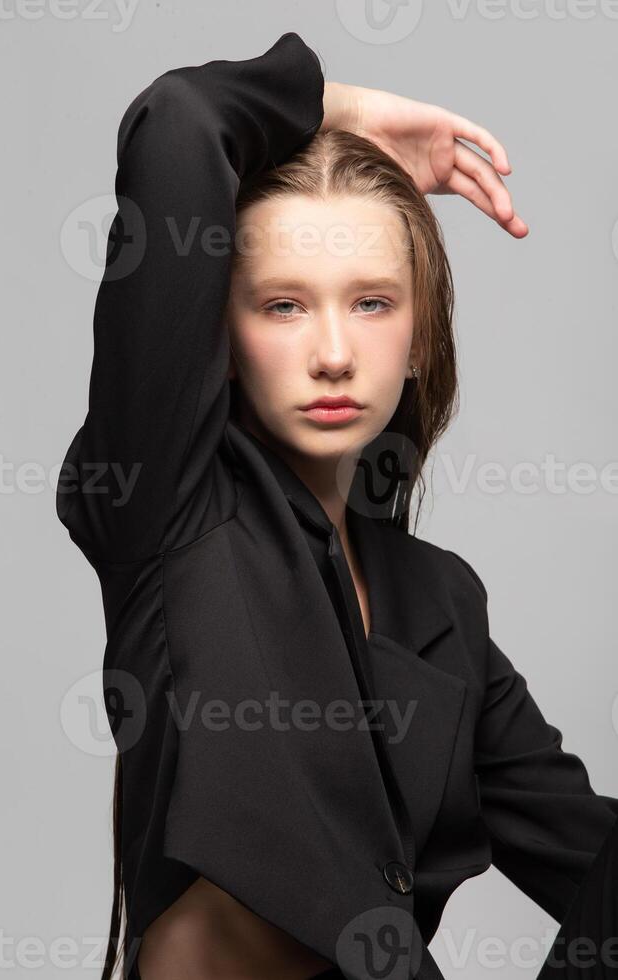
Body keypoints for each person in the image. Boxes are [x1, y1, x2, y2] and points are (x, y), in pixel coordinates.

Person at [56, 31, 618, 980]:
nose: (332, 353)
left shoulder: (443, 606)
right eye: (282, 304)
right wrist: (339, 110)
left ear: (422, 340)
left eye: (371, 303)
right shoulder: (171, 508)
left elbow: (594, 859)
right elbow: (182, 122)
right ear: (219, 335)